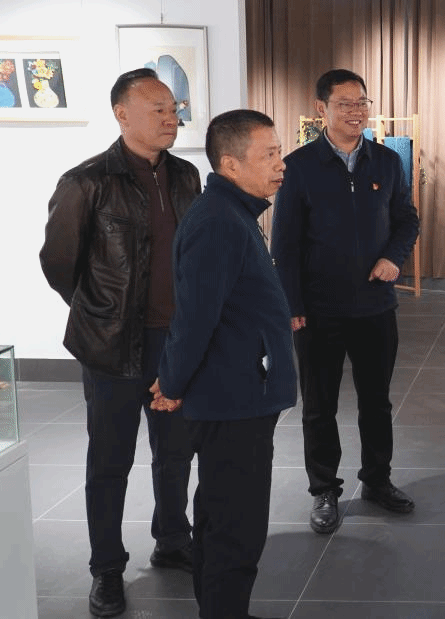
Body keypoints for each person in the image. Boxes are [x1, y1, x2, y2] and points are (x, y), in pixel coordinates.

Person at [40, 67, 199, 618]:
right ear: (121, 114)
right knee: (110, 461)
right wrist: (102, 312)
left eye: (174, 109)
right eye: (158, 109)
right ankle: (106, 568)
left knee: (175, 451)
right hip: (111, 347)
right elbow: (58, 264)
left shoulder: (186, 176)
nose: (170, 118)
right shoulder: (86, 182)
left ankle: (172, 539)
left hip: (174, 342)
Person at [151, 109, 296, 619]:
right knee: (236, 525)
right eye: (270, 155)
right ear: (231, 165)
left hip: (240, 392)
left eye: (279, 152)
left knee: (223, 514)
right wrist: (172, 383)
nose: (281, 164)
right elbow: (194, 317)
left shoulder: (231, 213)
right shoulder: (218, 221)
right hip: (234, 400)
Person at [272, 68, 421, 535]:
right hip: (318, 311)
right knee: (319, 406)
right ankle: (324, 489)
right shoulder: (298, 167)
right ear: (322, 109)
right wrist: (293, 305)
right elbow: (285, 244)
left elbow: (407, 220)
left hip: (375, 306)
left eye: (362, 103)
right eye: (345, 104)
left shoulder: (386, 162)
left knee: (377, 402)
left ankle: (377, 480)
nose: (356, 112)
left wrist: (393, 257)